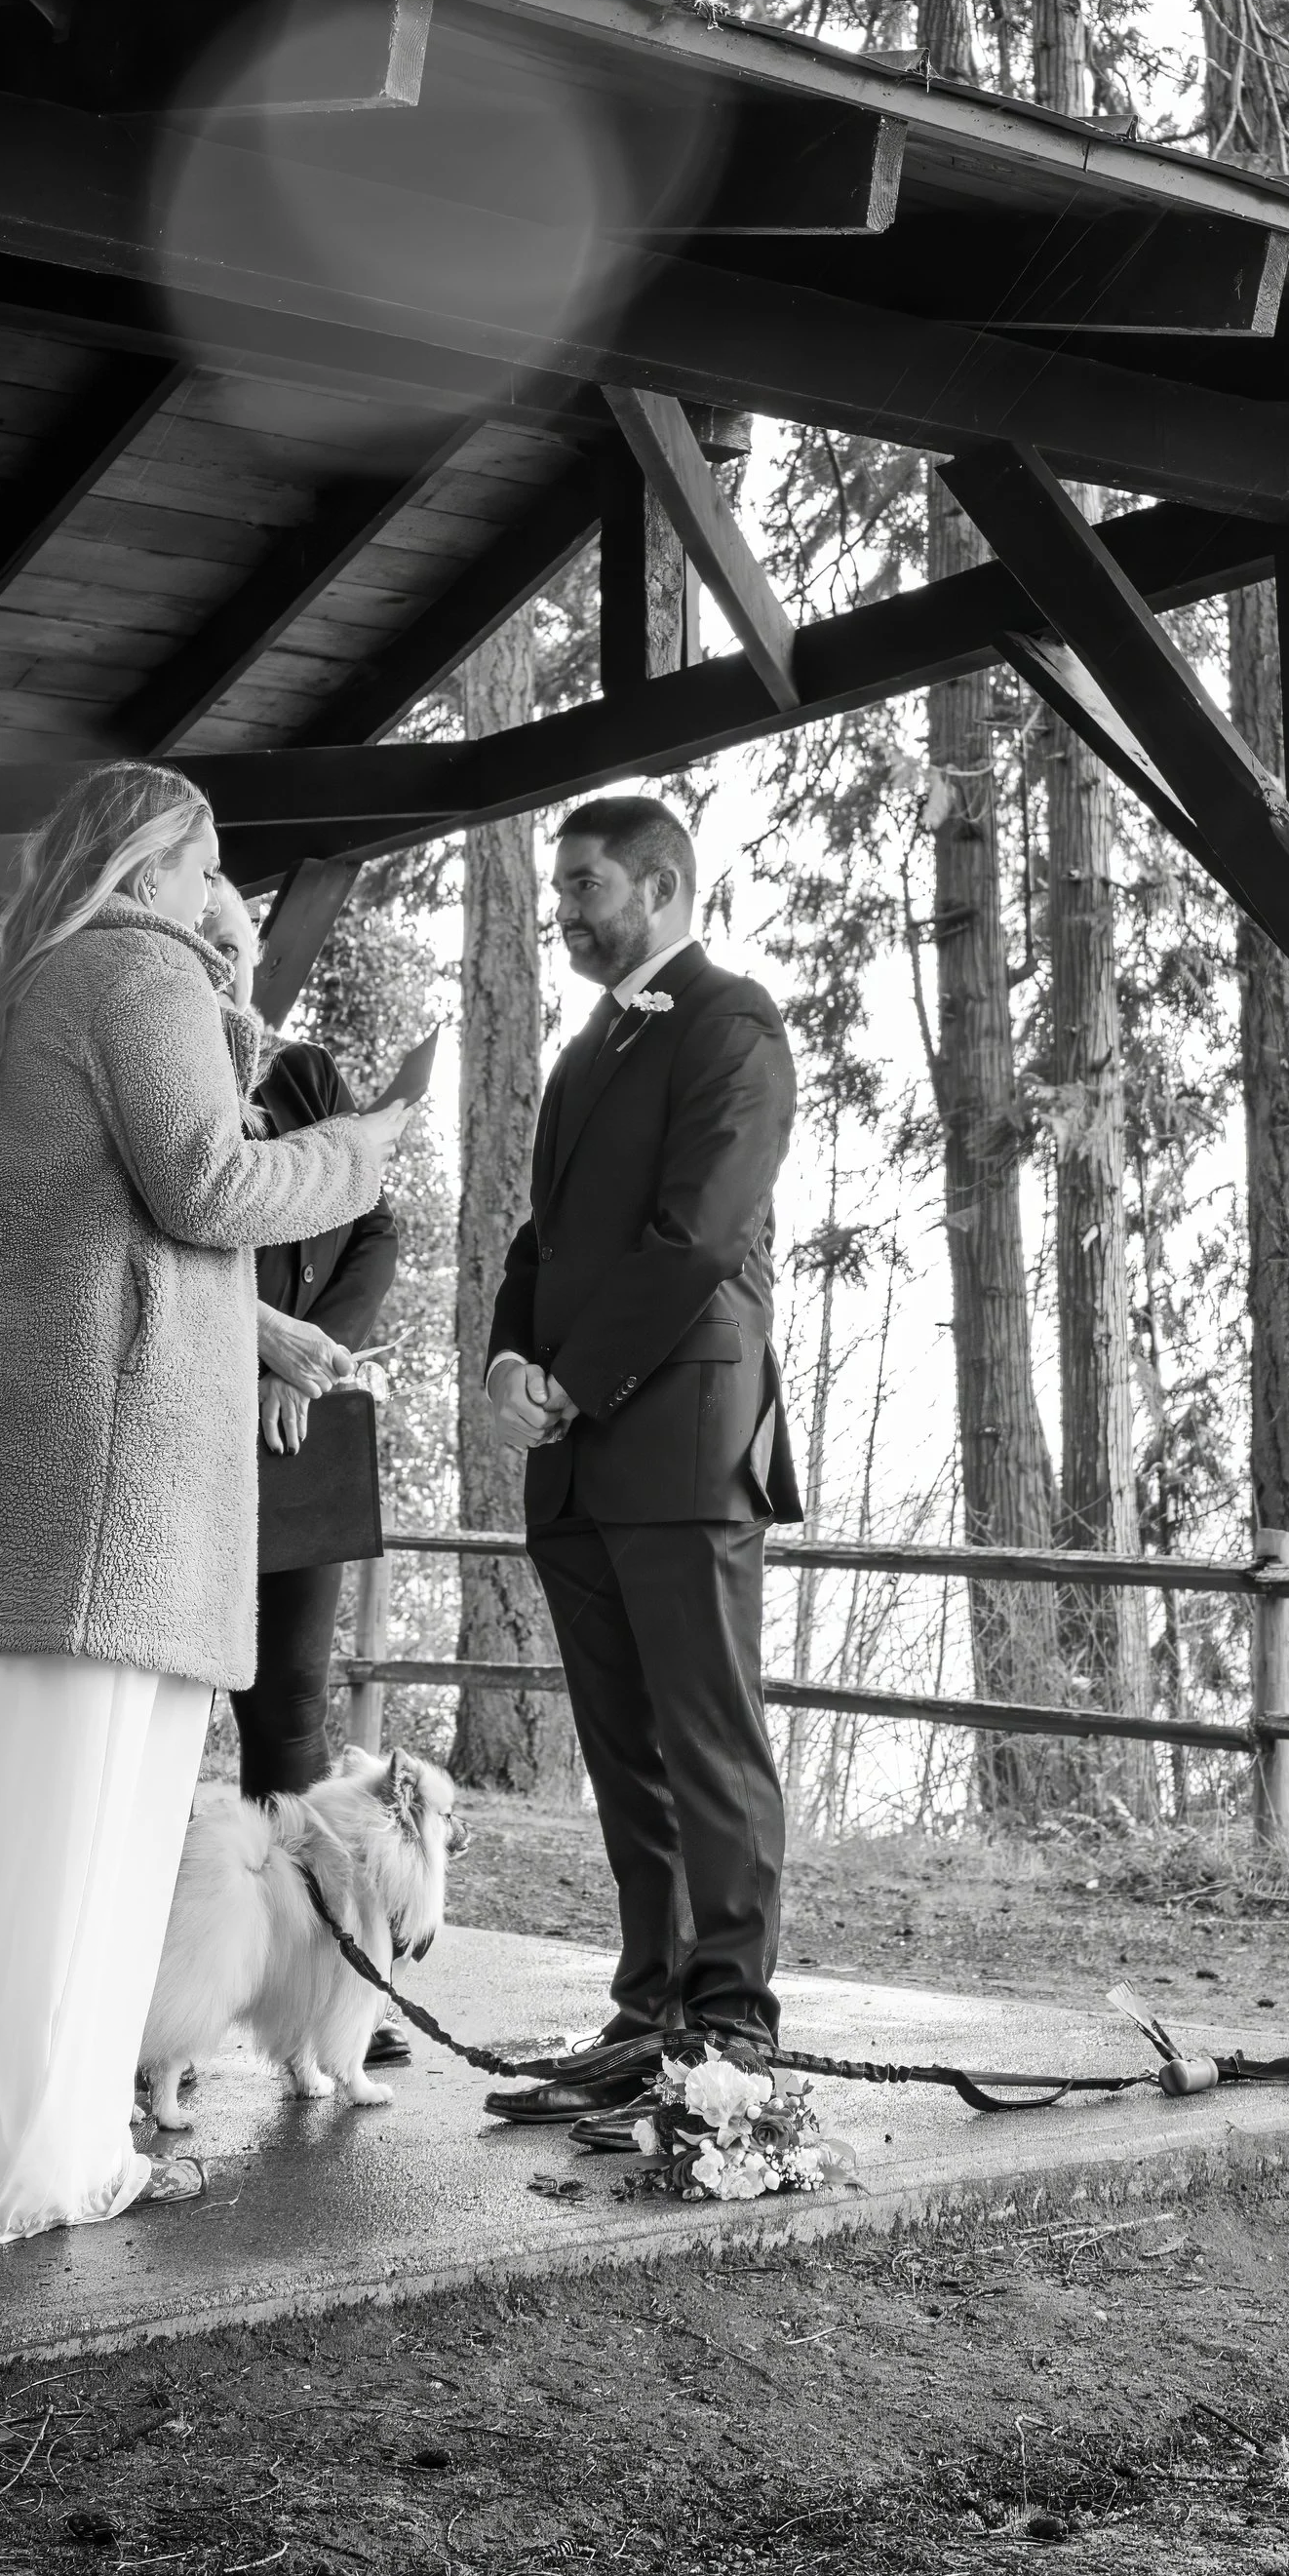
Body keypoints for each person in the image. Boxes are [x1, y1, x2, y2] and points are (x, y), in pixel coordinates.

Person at [0, 760, 403, 2249]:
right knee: (77, 1846)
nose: (227, 898)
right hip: (100, 1501)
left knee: (8, 1842)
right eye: (210, 866)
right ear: (148, 862)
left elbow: (98, 1226)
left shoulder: (50, 984)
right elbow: (204, 1184)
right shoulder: (138, 970)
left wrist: (265, 1332)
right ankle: (13, 2166)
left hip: (38, 1489)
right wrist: (364, 1147)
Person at [481, 795, 799, 2129]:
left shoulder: (733, 1023)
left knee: (707, 1735)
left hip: (674, 1433)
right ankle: (647, 2011)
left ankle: (729, 2022)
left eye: (586, 885)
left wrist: (574, 1375)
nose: (563, 909)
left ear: (663, 887)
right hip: (574, 1450)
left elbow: (699, 1235)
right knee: (623, 1747)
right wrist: (507, 1359)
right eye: (560, 887)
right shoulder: (586, 1047)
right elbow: (540, 1242)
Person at [237, 1035, 399, 1799]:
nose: (222, 959)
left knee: (294, 1704)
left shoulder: (305, 1076)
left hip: (303, 1433)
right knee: (172, 1694)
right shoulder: (168, 1069)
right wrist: (266, 1349)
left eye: (233, 941)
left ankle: (286, 1914)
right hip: (194, 1423)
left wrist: (307, 1364)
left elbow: (374, 1228)